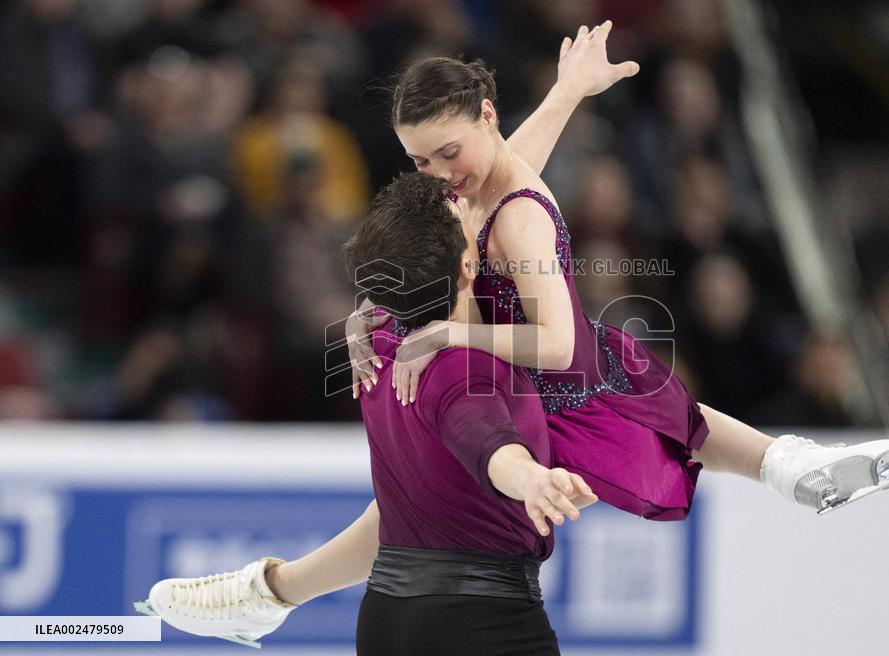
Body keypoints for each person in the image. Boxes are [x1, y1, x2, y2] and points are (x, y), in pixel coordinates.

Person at [347, 21, 889, 519]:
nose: (439, 173)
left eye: (448, 152)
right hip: (517, 376)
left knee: (415, 511)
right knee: (686, 429)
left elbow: (555, 344)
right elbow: (501, 167)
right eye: (420, 161)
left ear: (488, 116)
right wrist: (369, 311)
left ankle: (787, 464)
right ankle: (788, 465)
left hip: (555, 389)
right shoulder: (479, 176)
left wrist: (449, 333)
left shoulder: (520, 218)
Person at [139, 174, 599, 654]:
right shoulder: (464, 372)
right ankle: (270, 591)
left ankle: (268, 591)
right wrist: (530, 480)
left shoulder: (380, 342)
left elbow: (505, 176)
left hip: (388, 618)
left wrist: (565, 96)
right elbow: (486, 442)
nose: (478, 212)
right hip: (480, 627)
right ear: (467, 262)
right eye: (464, 218)